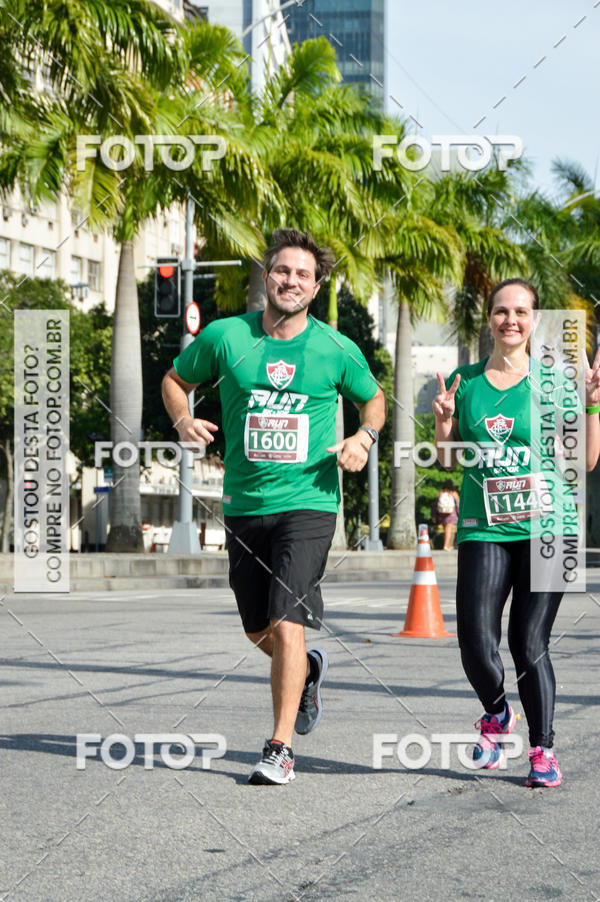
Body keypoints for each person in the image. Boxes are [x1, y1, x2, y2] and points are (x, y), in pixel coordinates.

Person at [162, 229, 386, 785]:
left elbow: (374, 400)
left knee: (287, 621)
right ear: (267, 278)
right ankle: (308, 670)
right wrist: (183, 419)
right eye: (282, 271)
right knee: (257, 628)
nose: (291, 281)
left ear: (315, 286)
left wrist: (364, 439)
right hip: (243, 503)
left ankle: (279, 748)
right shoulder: (225, 336)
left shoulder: (334, 347)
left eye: (303, 275)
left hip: (309, 501)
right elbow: (174, 378)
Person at [433, 277, 600, 787]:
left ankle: (543, 751)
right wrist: (443, 424)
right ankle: (498, 713)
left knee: (529, 642)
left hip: (550, 528)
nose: (511, 320)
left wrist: (592, 404)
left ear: (534, 321)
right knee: (474, 641)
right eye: (501, 311)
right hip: (484, 527)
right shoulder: (464, 382)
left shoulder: (556, 382)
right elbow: (446, 461)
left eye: (521, 312)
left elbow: (587, 461)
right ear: (489, 320)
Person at [432, 479, 459, 550]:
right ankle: (446, 545)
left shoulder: (440, 493)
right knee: (449, 529)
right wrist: (459, 514)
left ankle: (448, 545)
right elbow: (458, 505)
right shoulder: (454, 493)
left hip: (442, 514)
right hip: (451, 515)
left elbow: (435, 506)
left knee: (445, 530)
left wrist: (434, 515)